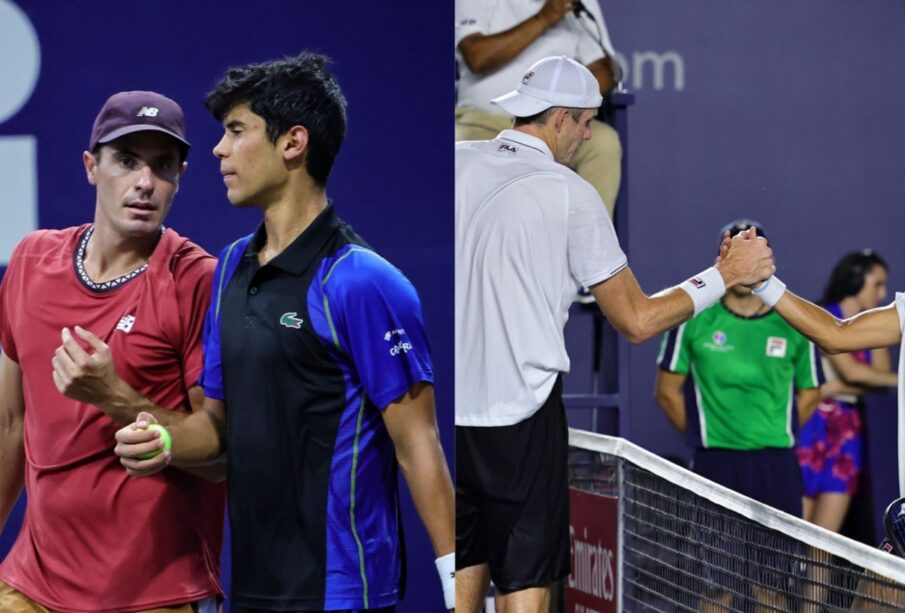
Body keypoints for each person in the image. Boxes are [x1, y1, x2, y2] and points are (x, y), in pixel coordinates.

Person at [113, 53, 456, 612]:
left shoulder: (361, 281)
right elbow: (220, 428)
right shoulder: (228, 268)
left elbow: (418, 445)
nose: (219, 150)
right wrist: (168, 441)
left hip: (342, 593)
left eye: (236, 131)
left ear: (293, 143)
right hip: (252, 588)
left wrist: (457, 585)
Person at [455, 56, 775, 613]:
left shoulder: (456, 163)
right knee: (523, 579)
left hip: (451, 413)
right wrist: (724, 276)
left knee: (462, 564)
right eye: (584, 123)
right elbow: (637, 320)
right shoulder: (570, 192)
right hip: (520, 417)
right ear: (559, 118)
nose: (587, 136)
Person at [0, 91, 224, 612]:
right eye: (126, 161)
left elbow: (220, 452)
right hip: (29, 589)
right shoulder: (31, 261)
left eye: (162, 166)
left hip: (155, 596)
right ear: (90, 167)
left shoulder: (197, 280)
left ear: (180, 177)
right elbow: (9, 423)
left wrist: (115, 396)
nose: (144, 182)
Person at [655, 220, 823, 611]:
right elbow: (665, 392)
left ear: (767, 260)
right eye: (737, 255)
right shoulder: (694, 318)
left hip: (776, 467)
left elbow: (812, 392)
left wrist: (768, 429)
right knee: (713, 588)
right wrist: (710, 435)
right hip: (715, 469)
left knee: (773, 589)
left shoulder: (794, 321)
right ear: (723, 260)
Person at [455, 0, 624, 217]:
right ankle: (467, 247)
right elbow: (476, 56)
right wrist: (543, 18)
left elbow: (604, 68)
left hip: (558, 122)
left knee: (604, 144)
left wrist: (561, 105)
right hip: (483, 120)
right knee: (461, 151)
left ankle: (588, 243)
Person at [797, 250, 897, 536]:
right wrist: (898, 380)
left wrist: (838, 386)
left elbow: (876, 378)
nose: (883, 293)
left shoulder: (875, 325)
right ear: (855, 280)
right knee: (792, 537)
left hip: (847, 435)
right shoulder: (824, 317)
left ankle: (816, 584)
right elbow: (855, 373)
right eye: (877, 284)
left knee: (825, 541)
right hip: (810, 426)